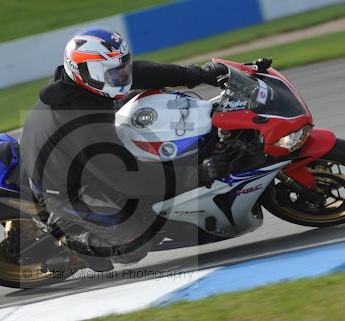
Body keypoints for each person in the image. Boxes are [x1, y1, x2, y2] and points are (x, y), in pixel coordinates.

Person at [20, 27, 230, 272]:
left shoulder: (80, 82)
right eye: (113, 74)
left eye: (122, 68)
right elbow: (124, 177)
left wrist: (197, 74)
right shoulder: (84, 123)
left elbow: (141, 73)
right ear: (86, 72)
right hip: (66, 190)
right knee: (135, 243)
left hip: (71, 156)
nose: (121, 77)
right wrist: (197, 175)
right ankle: (72, 244)